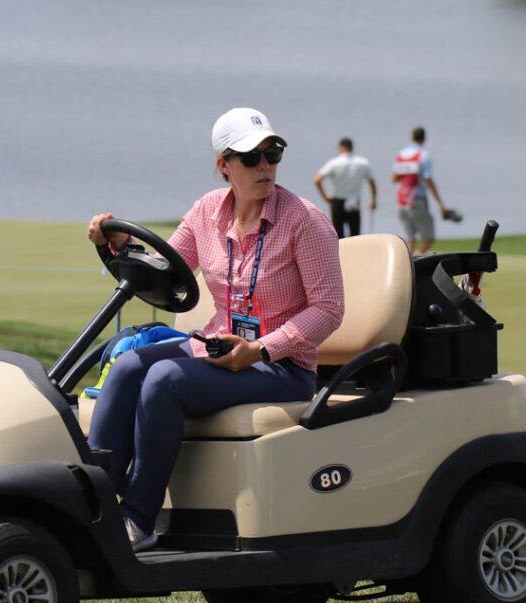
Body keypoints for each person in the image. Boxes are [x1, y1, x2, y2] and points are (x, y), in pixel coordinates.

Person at [86, 107, 345, 552]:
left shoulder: (304, 220)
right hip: (217, 349)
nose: (265, 166)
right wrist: (119, 246)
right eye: (251, 157)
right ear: (224, 164)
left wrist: (260, 349)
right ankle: (91, 508)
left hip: (281, 368)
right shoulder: (207, 211)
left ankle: (138, 519)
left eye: (273, 153)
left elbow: (329, 309)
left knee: (164, 380)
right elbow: (167, 270)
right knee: (128, 366)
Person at [392, 126, 450, 254]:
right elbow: (428, 180)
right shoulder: (423, 156)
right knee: (429, 239)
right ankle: (414, 265)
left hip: (401, 202)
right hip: (417, 202)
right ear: (424, 139)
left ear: (411, 137)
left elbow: (394, 179)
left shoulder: (400, 155)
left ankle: (406, 268)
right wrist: (440, 204)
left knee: (410, 240)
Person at [314, 137, 377, 238]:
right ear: (352, 148)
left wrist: (325, 197)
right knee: (355, 236)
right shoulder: (363, 162)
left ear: (341, 148)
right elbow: (372, 183)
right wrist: (373, 201)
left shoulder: (334, 163)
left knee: (338, 236)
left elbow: (317, 179)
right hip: (354, 201)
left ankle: (341, 254)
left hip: (337, 201)